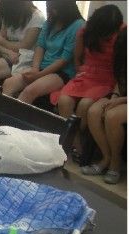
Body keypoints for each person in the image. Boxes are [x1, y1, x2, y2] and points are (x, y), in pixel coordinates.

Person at [53, 5, 124, 141]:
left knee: (85, 104)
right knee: (64, 101)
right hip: (87, 74)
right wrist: (79, 71)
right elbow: (77, 57)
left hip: (107, 77)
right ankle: (75, 143)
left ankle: (73, 142)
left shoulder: (122, 31)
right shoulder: (86, 30)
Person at [2, 0, 84, 104]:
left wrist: (39, 75)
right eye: (50, 9)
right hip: (42, 67)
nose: (52, 12)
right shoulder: (50, 21)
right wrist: (35, 69)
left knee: (29, 91)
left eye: (55, 9)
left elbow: (64, 59)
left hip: (62, 72)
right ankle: (3, 113)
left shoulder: (78, 25)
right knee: (8, 83)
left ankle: (13, 115)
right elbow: (40, 46)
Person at [84, 27, 127, 184]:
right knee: (94, 111)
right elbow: (121, 82)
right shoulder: (123, 57)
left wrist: (120, 100)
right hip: (122, 96)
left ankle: (115, 163)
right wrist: (115, 97)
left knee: (112, 116)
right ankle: (106, 157)